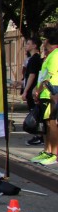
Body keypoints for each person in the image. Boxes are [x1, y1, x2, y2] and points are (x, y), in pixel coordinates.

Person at [31, 28, 58, 166]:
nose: (42, 42)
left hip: (51, 94)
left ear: (48, 40)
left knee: (52, 124)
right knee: (46, 125)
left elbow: (48, 77)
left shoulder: (55, 55)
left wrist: (38, 90)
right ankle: (47, 150)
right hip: (44, 94)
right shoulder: (49, 55)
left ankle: (54, 153)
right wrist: (37, 89)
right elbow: (43, 75)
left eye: (43, 39)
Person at [23, 36, 44, 146]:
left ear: (34, 46)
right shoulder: (33, 59)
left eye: (28, 43)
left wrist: (26, 91)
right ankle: (39, 136)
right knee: (35, 112)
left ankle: (39, 136)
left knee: (35, 114)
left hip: (32, 91)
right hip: (32, 90)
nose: (26, 46)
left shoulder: (34, 59)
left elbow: (32, 75)